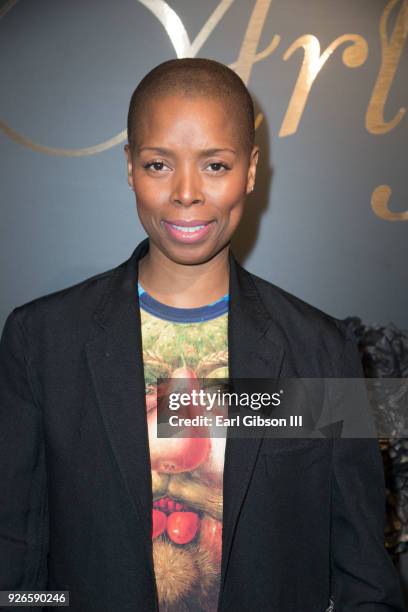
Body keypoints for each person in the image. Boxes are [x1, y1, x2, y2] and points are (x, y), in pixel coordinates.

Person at [0, 58, 404, 612]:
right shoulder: (40, 341)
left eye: (215, 165)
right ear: (129, 167)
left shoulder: (321, 348)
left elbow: (364, 579)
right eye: (158, 164)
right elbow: (17, 556)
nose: (186, 193)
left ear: (252, 169)